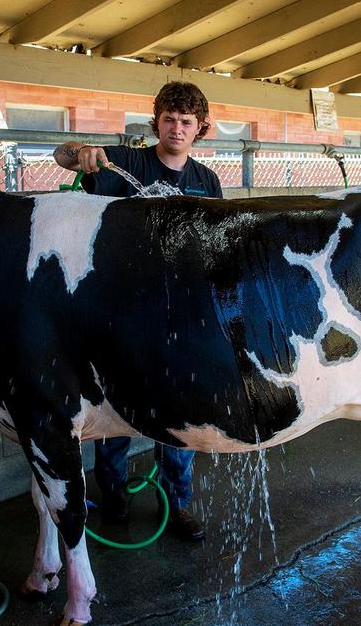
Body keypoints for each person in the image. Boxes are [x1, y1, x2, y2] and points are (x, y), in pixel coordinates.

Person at [53, 81, 222, 541]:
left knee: (179, 410)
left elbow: (213, 247)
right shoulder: (125, 161)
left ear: (199, 128)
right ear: (156, 122)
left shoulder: (207, 182)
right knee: (116, 410)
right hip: (122, 310)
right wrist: (79, 152)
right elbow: (62, 156)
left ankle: (179, 501)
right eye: (169, 119)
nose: (177, 128)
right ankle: (115, 494)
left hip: (179, 314)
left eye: (186, 122)